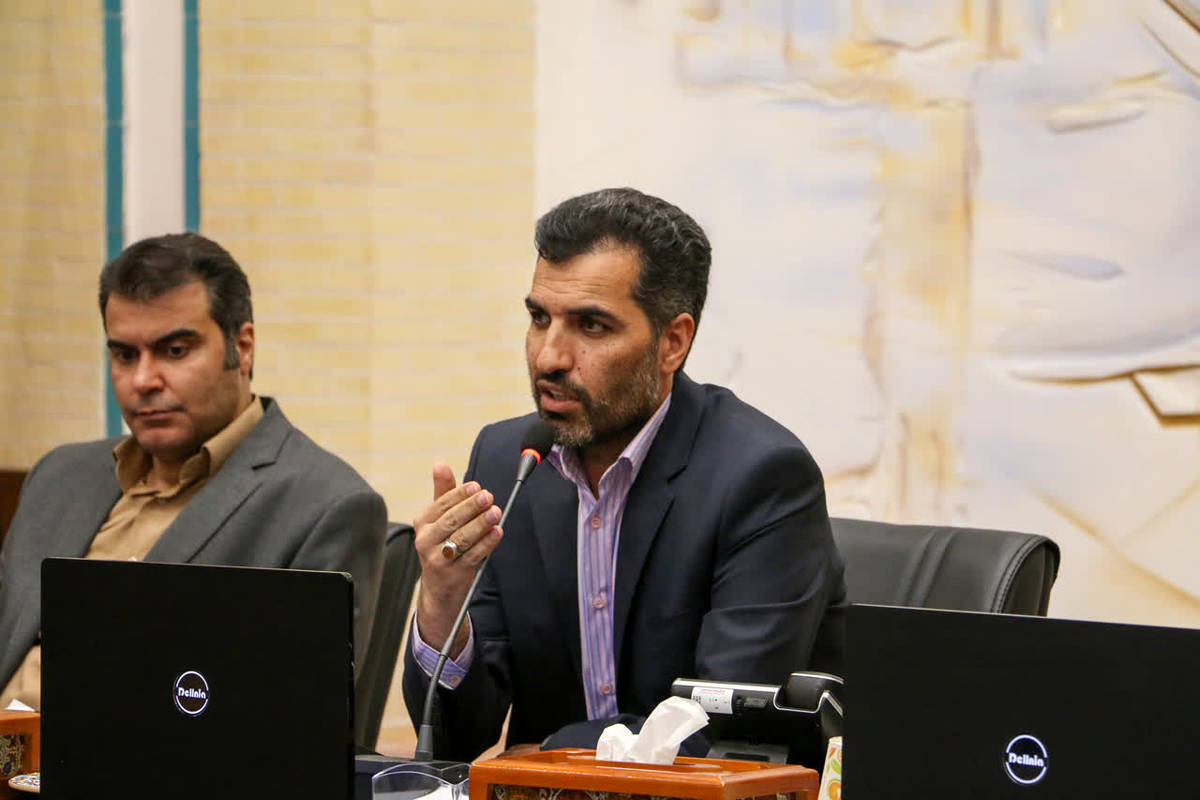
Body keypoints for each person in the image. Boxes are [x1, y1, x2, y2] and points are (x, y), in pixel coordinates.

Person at [403, 188, 846, 760]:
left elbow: (722, 731)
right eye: (539, 319)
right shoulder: (510, 462)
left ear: (672, 343)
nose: (549, 357)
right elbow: (454, 738)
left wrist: (551, 755)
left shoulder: (761, 478)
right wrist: (442, 605)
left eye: (591, 326)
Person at [0, 233, 387, 709]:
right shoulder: (59, 475)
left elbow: (293, 721)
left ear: (242, 348)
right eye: (124, 355)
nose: (143, 380)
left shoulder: (323, 506)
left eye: (175, 351)